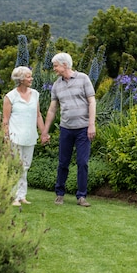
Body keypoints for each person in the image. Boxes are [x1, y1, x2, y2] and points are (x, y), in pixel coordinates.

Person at [41, 52, 96, 207]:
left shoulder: (83, 78)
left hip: (83, 129)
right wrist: (45, 131)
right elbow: (52, 110)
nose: (54, 69)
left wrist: (91, 124)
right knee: (63, 162)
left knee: (82, 162)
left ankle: (81, 196)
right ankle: (59, 194)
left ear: (65, 65)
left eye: (56, 66)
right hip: (66, 129)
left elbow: (92, 102)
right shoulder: (57, 85)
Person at [3, 66, 45, 206]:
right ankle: (13, 196)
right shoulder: (10, 97)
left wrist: (43, 132)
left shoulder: (35, 94)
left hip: (30, 137)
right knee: (16, 166)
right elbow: (5, 121)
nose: (31, 79)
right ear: (20, 79)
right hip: (15, 137)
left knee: (25, 167)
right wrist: (6, 138)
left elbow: (38, 115)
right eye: (28, 76)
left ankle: (22, 196)